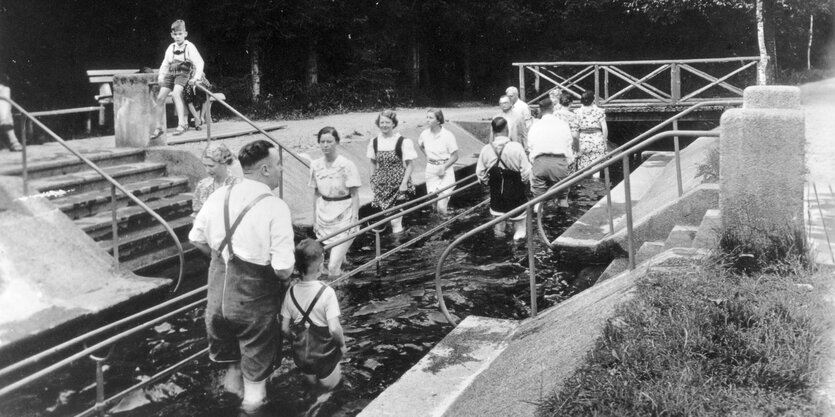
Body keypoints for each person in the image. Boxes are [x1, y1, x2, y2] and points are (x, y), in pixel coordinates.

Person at [188, 139, 295, 412]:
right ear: (266, 170)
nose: (282, 169)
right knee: (255, 388)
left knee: (232, 371)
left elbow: (195, 239)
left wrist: (222, 259)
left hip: (217, 301)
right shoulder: (275, 206)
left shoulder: (218, 195)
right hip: (253, 303)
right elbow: (283, 268)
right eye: (279, 164)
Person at [281, 239, 347, 391]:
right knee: (332, 391)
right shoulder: (327, 293)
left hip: (303, 357)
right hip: (326, 356)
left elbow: (284, 328)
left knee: (312, 390)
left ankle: (313, 401)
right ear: (321, 265)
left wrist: (296, 340)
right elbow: (334, 329)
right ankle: (319, 403)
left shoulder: (290, 293)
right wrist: (342, 346)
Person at [309, 127, 361, 276]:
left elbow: (355, 194)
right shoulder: (315, 165)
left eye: (329, 141)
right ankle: (345, 277)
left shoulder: (346, 164)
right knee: (334, 260)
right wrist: (315, 220)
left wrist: (354, 219)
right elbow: (316, 193)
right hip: (324, 215)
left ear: (337, 142)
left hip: (344, 214)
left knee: (332, 267)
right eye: (322, 141)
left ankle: (337, 294)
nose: (325, 145)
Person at [475, 117, 532, 241]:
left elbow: (480, 173)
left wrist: (488, 182)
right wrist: (522, 183)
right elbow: (526, 172)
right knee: (520, 229)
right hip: (516, 195)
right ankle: (517, 250)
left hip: (497, 197)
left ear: (493, 131)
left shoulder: (486, 149)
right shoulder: (516, 147)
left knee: (499, 229)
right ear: (508, 130)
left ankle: (501, 253)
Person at [151, 19, 205, 138]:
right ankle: (159, 127)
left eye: (180, 34)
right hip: (171, 72)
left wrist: (195, 78)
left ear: (185, 34)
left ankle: (182, 124)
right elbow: (165, 64)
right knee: (160, 97)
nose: (178, 37)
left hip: (183, 72)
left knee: (176, 94)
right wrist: (161, 76)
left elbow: (200, 62)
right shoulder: (171, 47)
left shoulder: (190, 46)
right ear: (172, 35)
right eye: (175, 34)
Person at [367, 109, 417, 234]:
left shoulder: (402, 141)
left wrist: (404, 183)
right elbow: (373, 162)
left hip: (398, 184)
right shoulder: (374, 142)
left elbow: (410, 165)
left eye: (387, 122)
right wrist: (372, 180)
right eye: (381, 122)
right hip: (381, 185)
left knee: (395, 221)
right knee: (382, 220)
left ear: (393, 124)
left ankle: (398, 246)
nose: (384, 125)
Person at [526, 98, 574, 211]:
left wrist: (535, 162)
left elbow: (530, 146)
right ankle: (563, 222)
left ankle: (538, 221)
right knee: (562, 196)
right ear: (553, 108)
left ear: (540, 110)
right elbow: (568, 145)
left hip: (540, 162)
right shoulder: (563, 124)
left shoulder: (535, 126)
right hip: (559, 163)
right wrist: (567, 162)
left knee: (538, 197)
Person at [418, 109, 459, 216]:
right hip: (431, 171)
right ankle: (437, 228)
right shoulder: (424, 134)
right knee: (433, 204)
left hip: (445, 171)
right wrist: (427, 156)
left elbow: (455, 156)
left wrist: (444, 167)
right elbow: (421, 145)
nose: (427, 120)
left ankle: (445, 229)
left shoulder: (447, 135)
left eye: (431, 118)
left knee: (441, 206)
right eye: (427, 117)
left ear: (438, 120)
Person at [192, 143, 241, 215]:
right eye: (205, 166)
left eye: (211, 166)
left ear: (224, 163)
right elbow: (197, 214)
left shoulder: (237, 185)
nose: (207, 170)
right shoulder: (202, 185)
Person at [575, 90, 609, 172]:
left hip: (583, 140)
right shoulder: (599, 111)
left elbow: (576, 130)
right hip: (597, 139)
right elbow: (604, 128)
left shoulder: (577, 112)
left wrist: (576, 147)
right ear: (593, 100)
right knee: (597, 167)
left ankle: (586, 183)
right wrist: (604, 142)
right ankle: (596, 183)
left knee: (583, 168)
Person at [0, 73, 22, 152]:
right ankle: (14, 142)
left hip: (4, 117)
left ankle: (14, 142)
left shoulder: (4, 89)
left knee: (5, 114)